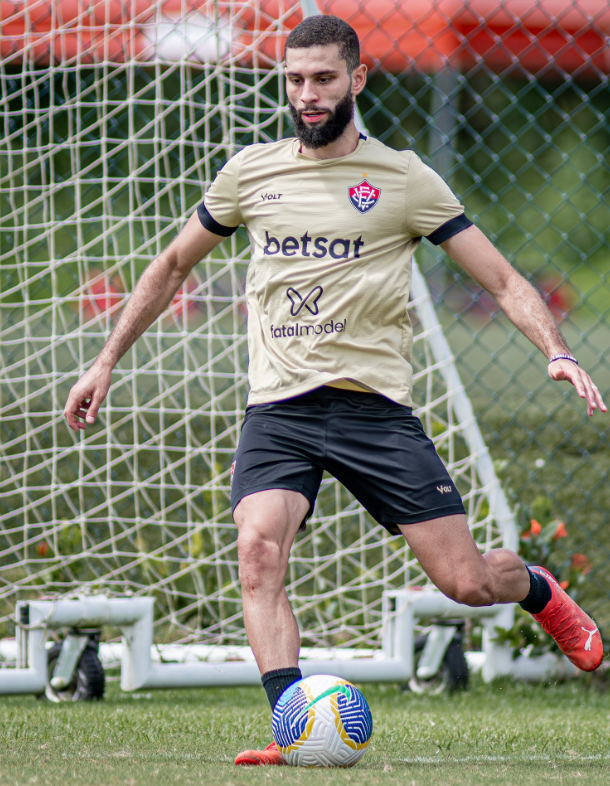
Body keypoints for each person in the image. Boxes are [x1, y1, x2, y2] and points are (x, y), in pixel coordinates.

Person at [64, 14, 606, 766]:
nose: (308, 94)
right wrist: (106, 361)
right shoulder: (251, 173)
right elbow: (172, 267)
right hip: (279, 410)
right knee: (258, 553)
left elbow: (506, 279)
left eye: (323, 79)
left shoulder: (406, 178)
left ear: (357, 79)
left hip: (374, 412)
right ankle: (292, 724)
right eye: (294, 80)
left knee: (467, 581)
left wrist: (556, 349)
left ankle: (538, 590)